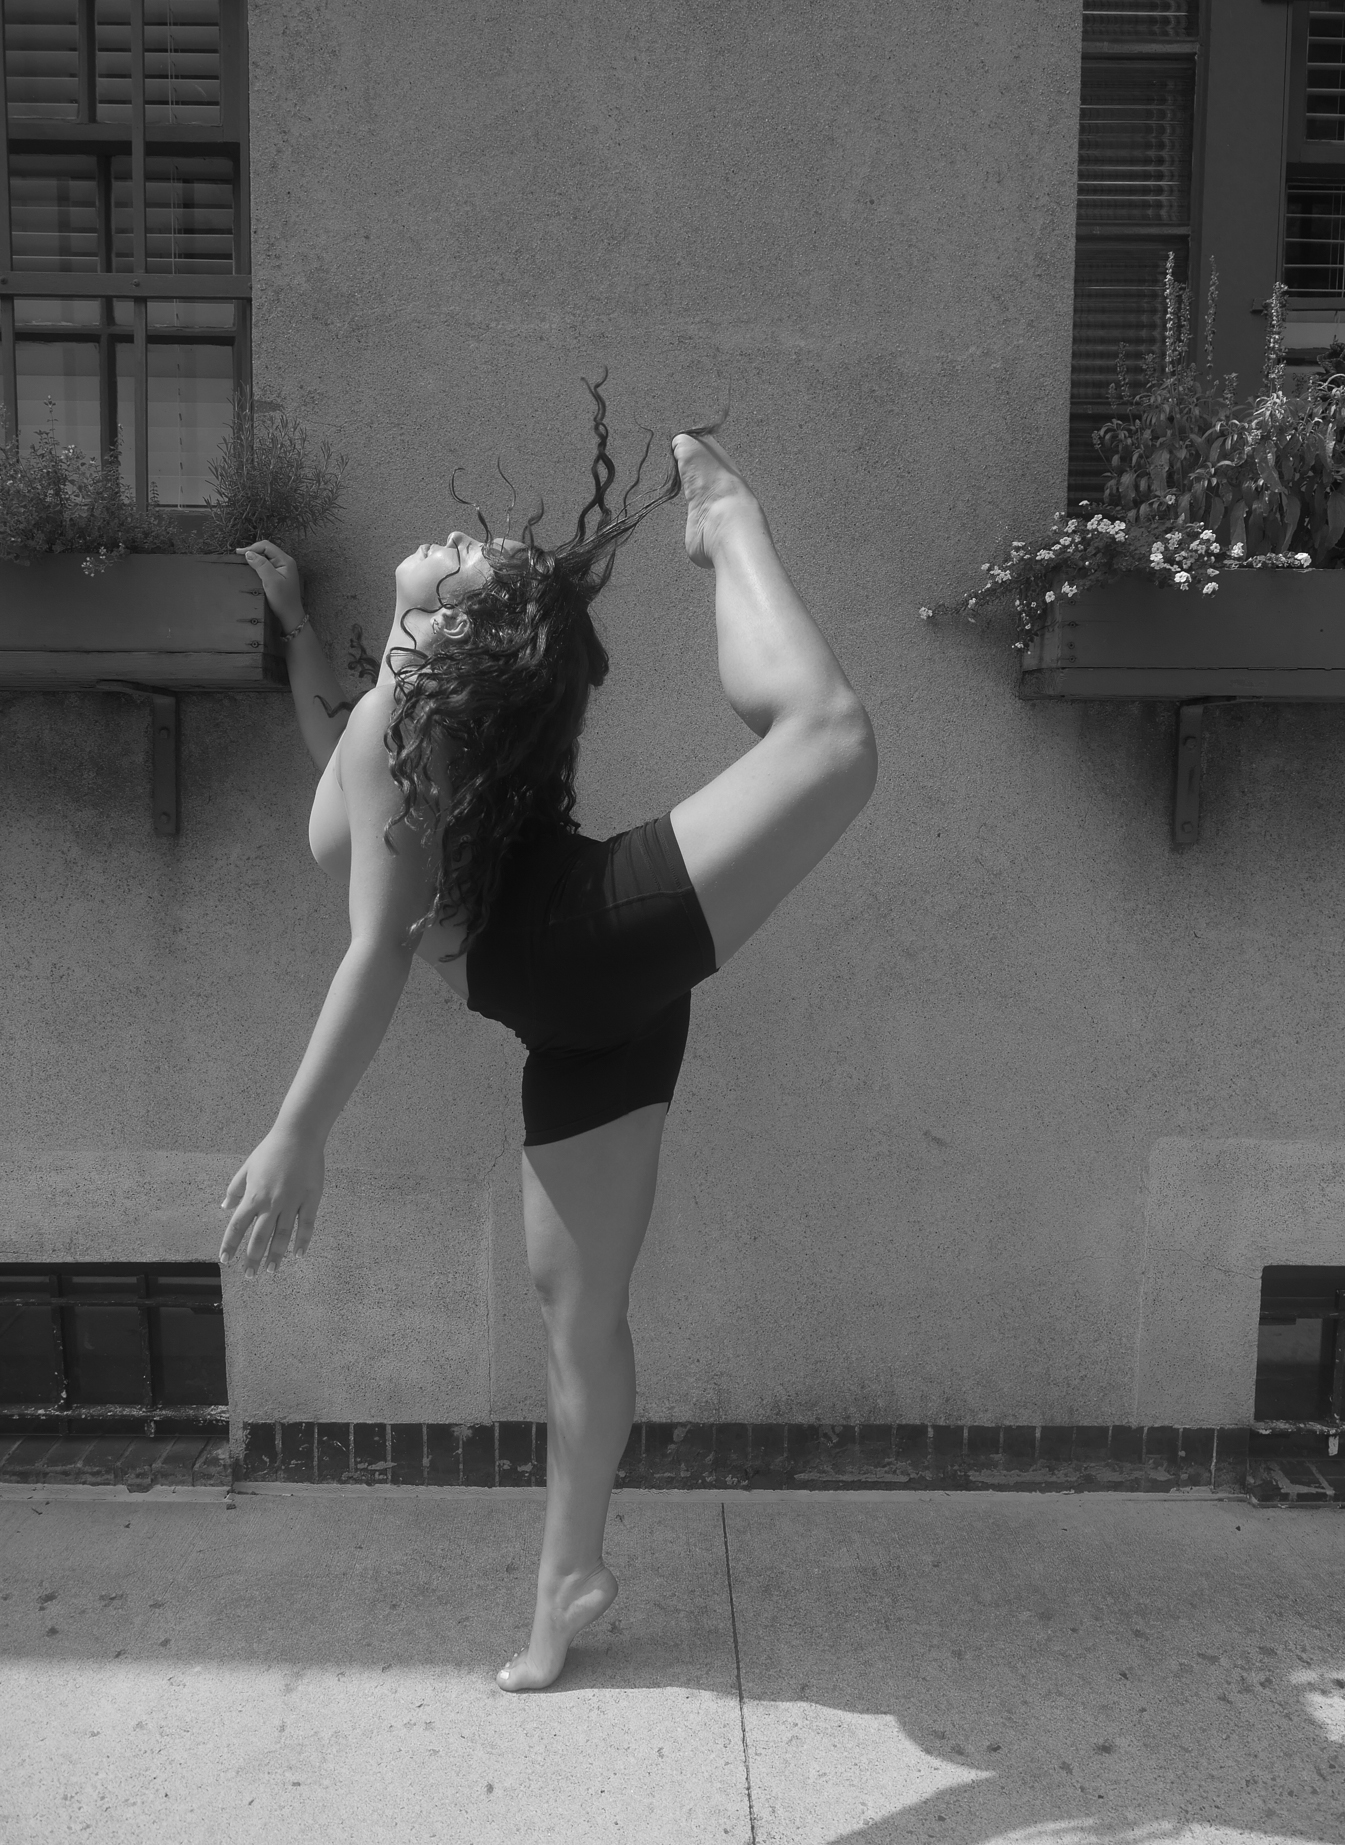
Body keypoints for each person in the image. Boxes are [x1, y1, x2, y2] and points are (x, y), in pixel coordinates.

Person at [218, 388, 878, 1691]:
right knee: (577, 1319)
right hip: (573, 1020)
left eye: (474, 554)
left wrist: (300, 1132)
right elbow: (328, 743)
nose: (458, 535)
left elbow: (378, 945)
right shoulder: (394, 720)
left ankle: (730, 527)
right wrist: (296, 626)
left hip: (584, 948)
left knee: (831, 744)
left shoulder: (406, 728)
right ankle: (565, 1583)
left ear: (454, 628)